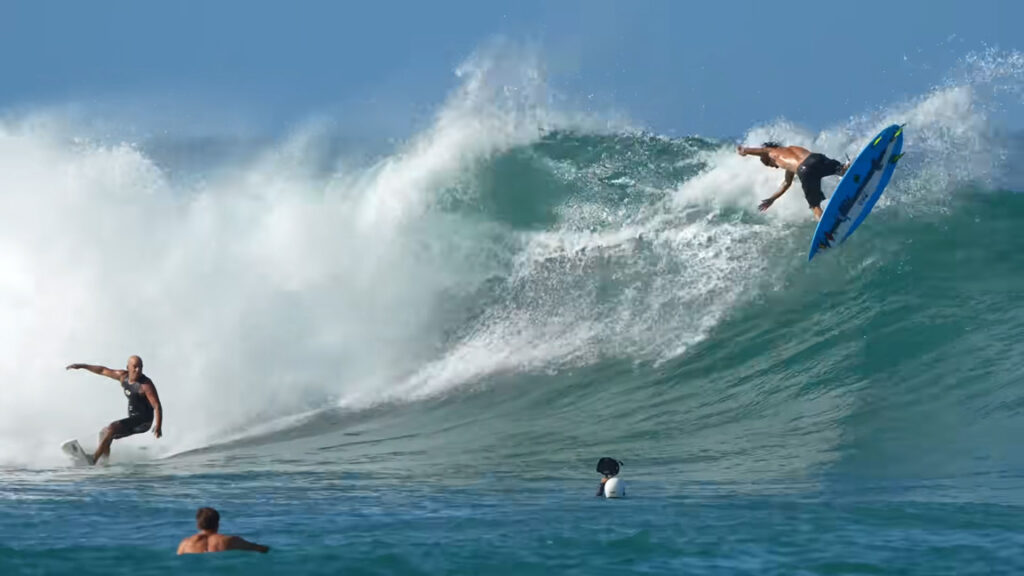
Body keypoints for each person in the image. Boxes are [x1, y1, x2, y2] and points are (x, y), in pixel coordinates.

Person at [65, 355, 162, 465]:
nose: (138, 370)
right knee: (104, 433)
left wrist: (158, 426)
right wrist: (83, 366)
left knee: (111, 428)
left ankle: (93, 459)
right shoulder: (123, 377)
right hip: (134, 417)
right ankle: (104, 461)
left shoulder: (146, 385)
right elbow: (102, 370)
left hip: (144, 421)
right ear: (128, 367)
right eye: (135, 367)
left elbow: (157, 406)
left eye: (140, 367)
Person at [737, 142, 849, 220]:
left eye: (767, 163)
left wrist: (744, 151)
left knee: (815, 206)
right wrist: (772, 199)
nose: (772, 167)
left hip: (804, 170)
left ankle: (824, 227)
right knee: (840, 169)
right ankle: (846, 169)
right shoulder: (790, 150)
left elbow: (762, 150)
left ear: (766, 157)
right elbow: (787, 183)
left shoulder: (770, 151)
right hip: (816, 158)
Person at [177, 507, 270, 555]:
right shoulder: (231, 541)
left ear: (198, 525)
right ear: (217, 524)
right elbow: (262, 549)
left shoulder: (185, 544)